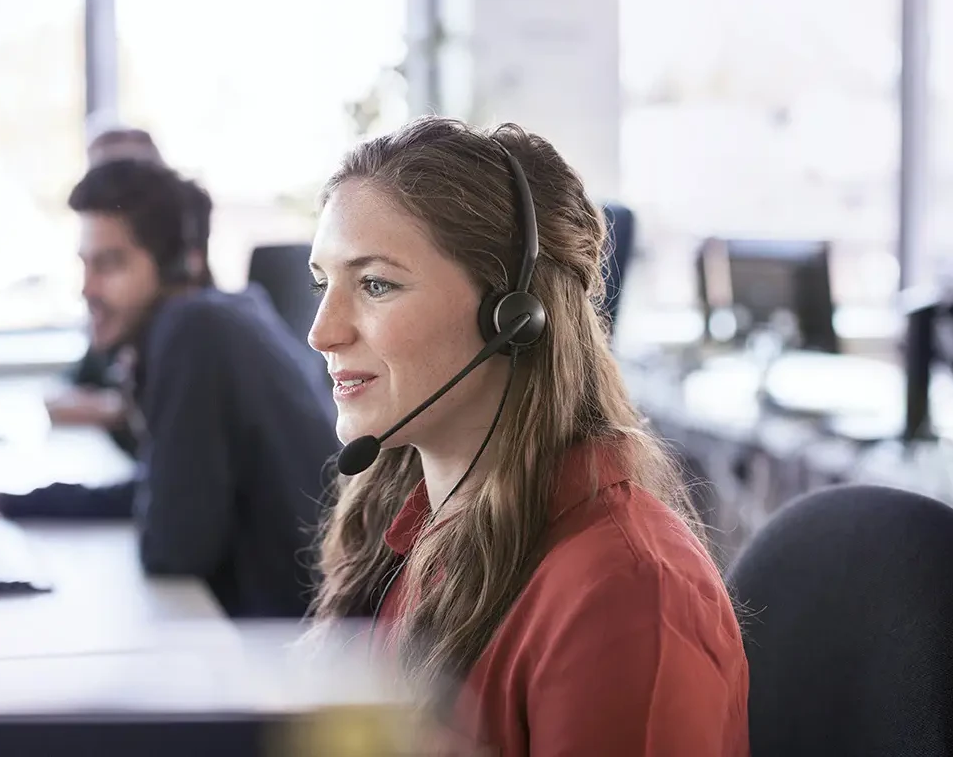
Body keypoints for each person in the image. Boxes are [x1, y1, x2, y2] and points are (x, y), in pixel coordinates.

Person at [305, 117, 749, 754]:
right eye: (324, 284)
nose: (322, 332)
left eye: (376, 284)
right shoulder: (419, 532)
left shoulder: (625, 596)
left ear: (513, 318)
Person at [0, 158, 340, 619]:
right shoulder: (220, 316)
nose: (86, 288)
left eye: (109, 264)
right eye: (85, 265)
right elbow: (160, 488)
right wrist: (6, 502)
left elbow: (173, 548)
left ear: (171, 267)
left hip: (284, 652)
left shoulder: (192, 331)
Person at [43, 120, 184, 442]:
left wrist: (125, 408)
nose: (86, 289)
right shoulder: (122, 319)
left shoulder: (189, 325)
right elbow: (70, 383)